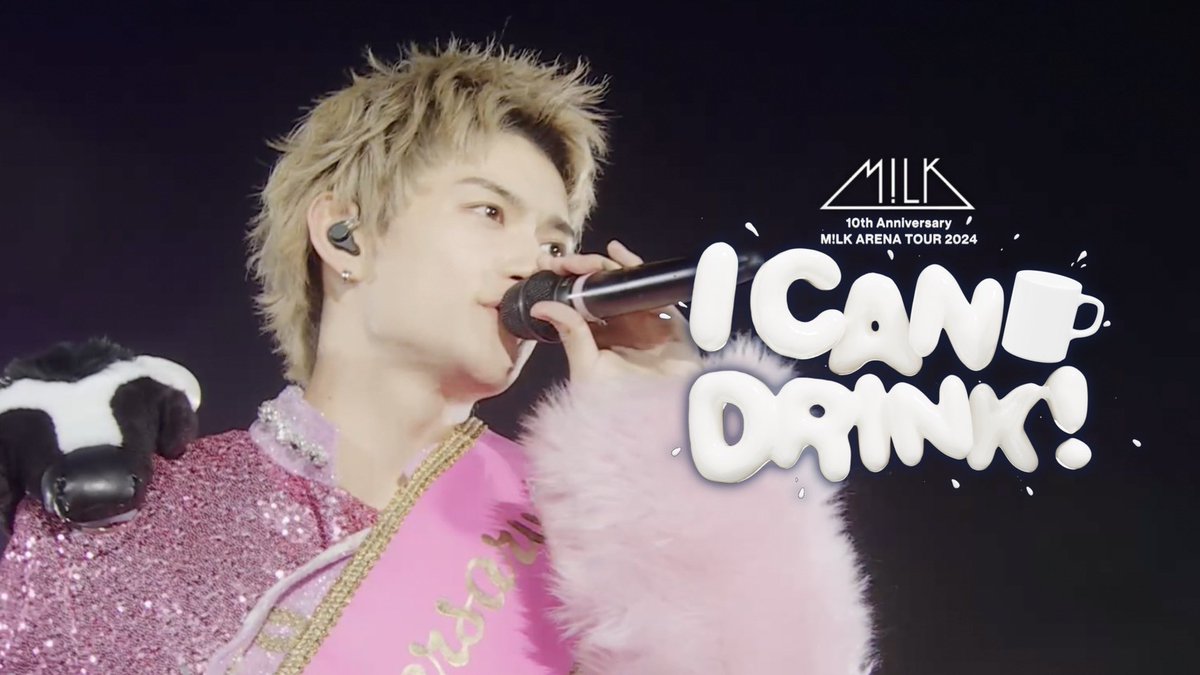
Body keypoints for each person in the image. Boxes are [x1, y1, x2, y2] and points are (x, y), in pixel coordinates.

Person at [0, 39, 875, 674]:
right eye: (490, 212)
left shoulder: (593, 541)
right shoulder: (128, 517)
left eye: (554, 239)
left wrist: (678, 444)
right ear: (345, 235)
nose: (536, 262)